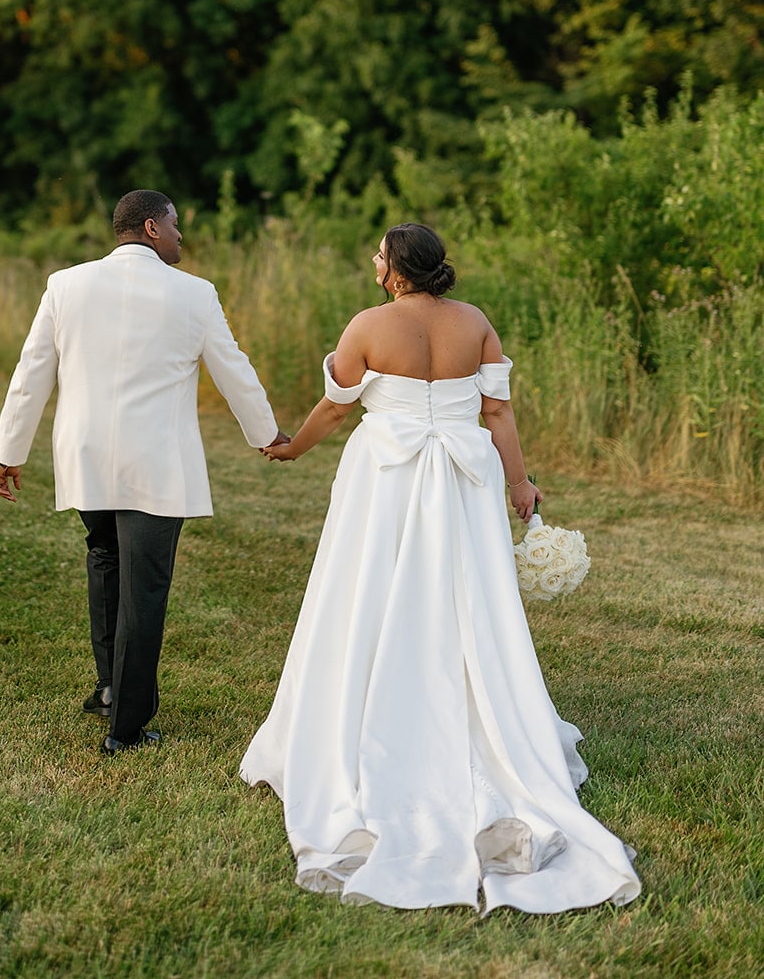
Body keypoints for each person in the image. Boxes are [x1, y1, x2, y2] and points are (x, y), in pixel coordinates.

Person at [242, 222, 640, 913]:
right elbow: (497, 412)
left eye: (378, 252)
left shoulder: (368, 324)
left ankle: (370, 713)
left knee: (367, 590)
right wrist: (520, 484)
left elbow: (335, 413)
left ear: (395, 270)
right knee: (466, 597)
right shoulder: (473, 322)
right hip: (465, 477)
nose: (372, 259)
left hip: (387, 478)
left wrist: (291, 449)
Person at [0, 189, 288, 754]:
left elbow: (32, 372)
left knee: (104, 557)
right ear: (151, 228)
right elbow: (234, 370)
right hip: (156, 463)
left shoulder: (66, 284)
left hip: (86, 455)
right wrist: (267, 434)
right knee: (144, 589)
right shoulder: (194, 294)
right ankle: (125, 726)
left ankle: (109, 687)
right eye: (176, 226)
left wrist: (10, 450)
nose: (182, 237)